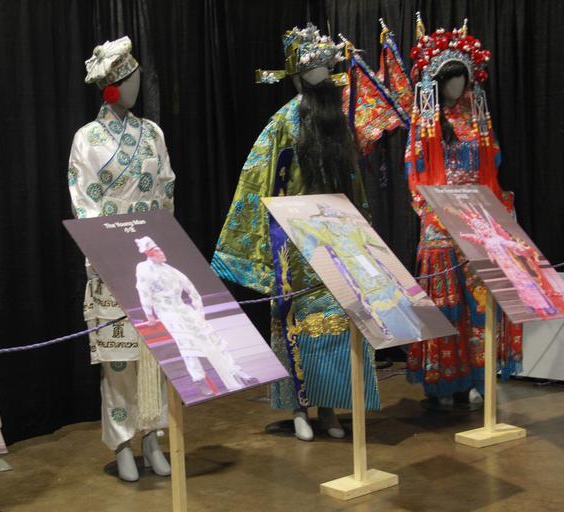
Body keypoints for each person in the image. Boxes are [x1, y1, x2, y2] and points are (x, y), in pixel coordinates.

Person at [213, 24, 382, 441]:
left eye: (326, 71)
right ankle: (299, 408)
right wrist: (262, 242)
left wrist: (362, 232)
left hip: (335, 238)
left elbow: (355, 183)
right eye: (314, 72)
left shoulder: (338, 124)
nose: (323, 79)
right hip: (293, 243)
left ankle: (330, 407)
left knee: (338, 325)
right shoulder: (283, 123)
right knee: (295, 326)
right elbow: (258, 182)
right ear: (298, 77)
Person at [68, 36, 174, 482]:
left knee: (156, 356)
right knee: (119, 361)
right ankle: (123, 440)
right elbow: (85, 202)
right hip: (112, 261)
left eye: (136, 79)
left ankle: (153, 435)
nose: (135, 88)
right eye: (129, 80)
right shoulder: (87, 139)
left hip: (151, 258)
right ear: (111, 86)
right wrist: (110, 249)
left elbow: (165, 191)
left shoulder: (153, 133)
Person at [405, 16, 522, 409]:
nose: (458, 87)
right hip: (439, 216)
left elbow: (493, 160)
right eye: (451, 79)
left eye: (463, 78)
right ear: (437, 83)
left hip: (475, 215)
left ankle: (475, 377)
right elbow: (416, 169)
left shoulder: (476, 114)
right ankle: (442, 381)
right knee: (444, 300)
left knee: (478, 301)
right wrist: (433, 211)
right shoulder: (426, 119)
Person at [134, 236, 257, 397]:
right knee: (187, 344)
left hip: (183, 309)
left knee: (213, 338)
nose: (162, 253)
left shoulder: (170, 269)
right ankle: (199, 379)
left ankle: (236, 372)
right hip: (167, 312)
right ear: (150, 254)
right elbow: (144, 291)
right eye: (157, 251)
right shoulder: (143, 268)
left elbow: (190, 288)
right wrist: (149, 314)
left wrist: (199, 311)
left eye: (160, 249)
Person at [288, 203, 423, 342]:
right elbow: (300, 226)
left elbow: (368, 238)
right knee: (377, 294)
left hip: (366, 263)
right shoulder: (329, 228)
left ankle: (409, 327)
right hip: (356, 266)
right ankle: (401, 329)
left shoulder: (344, 226)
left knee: (386, 290)